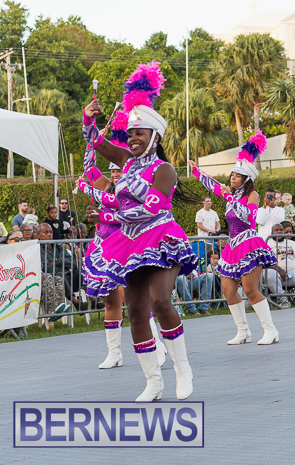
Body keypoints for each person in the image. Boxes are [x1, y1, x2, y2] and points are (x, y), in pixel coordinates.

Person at [82, 62, 198, 402]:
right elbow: (97, 143)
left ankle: (182, 369)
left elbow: (152, 209)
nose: (132, 138)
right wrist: (88, 118)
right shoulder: (127, 162)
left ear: (155, 137)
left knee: (160, 300)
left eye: (140, 133)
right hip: (130, 244)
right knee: (134, 310)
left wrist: (109, 214)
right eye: (131, 133)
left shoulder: (165, 170)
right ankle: (153, 381)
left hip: (161, 239)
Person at [77, 110, 169, 371]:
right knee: (109, 299)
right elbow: (88, 168)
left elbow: (117, 206)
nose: (117, 174)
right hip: (103, 246)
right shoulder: (106, 184)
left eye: (120, 170)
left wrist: (90, 193)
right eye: (114, 171)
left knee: (135, 300)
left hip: (126, 243)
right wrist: (90, 126)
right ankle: (114, 352)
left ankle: (157, 344)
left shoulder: (136, 185)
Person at [190, 131, 280, 346]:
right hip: (232, 246)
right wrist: (195, 170)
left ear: (246, 179)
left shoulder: (252, 195)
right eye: (232, 175)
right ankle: (243, 331)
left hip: (249, 243)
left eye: (237, 176)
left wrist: (230, 197)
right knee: (228, 291)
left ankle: (270, 330)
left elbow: (249, 216)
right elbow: (211, 184)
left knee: (250, 290)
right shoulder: (229, 192)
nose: (232, 178)